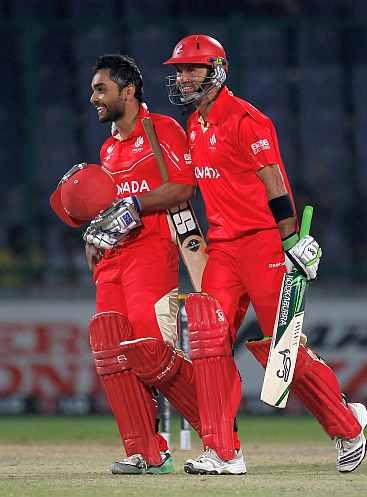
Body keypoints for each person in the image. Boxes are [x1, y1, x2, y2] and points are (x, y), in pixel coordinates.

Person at [163, 34, 367, 475]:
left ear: (216, 71)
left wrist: (292, 241)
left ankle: (348, 425)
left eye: (191, 69)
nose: (182, 78)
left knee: (280, 349)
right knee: (208, 341)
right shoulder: (194, 126)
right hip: (224, 249)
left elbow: (275, 182)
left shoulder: (246, 119)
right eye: (179, 70)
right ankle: (223, 451)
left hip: (263, 244)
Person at [50, 54, 204, 475]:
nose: (93, 97)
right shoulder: (107, 148)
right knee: (109, 346)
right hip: (113, 259)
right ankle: (146, 453)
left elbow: (183, 188)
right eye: (92, 89)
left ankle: (216, 420)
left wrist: (133, 205)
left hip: (153, 252)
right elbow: (108, 207)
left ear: (128, 91)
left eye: (101, 89)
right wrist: (95, 234)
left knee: (149, 352)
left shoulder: (162, 129)